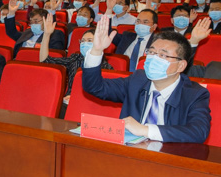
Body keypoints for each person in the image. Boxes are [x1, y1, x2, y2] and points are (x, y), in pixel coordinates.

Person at [82, 15, 211, 143]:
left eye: (163, 55)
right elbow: (95, 87)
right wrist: (96, 51)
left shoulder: (194, 93)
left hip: (168, 153)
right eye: (152, 52)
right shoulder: (137, 80)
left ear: (181, 66)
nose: (154, 58)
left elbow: (199, 131)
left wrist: (145, 130)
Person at [39, 13, 112, 99]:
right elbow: (45, 60)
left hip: (90, 102)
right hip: (68, 100)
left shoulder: (106, 67)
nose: (85, 43)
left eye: (89, 41)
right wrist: (46, 35)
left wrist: (77, 98)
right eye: (83, 41)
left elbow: (104, 93)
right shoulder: (75, 58)